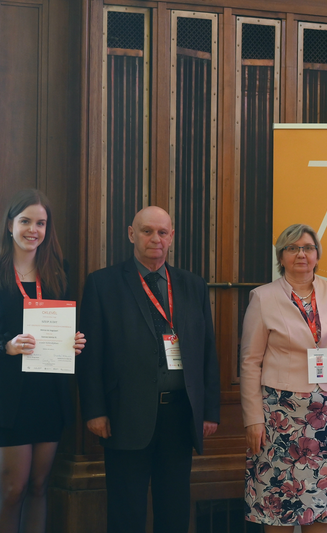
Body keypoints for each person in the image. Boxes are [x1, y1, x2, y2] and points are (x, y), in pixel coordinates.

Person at [77, 206, 220, 533]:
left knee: (174, 511)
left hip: (180, 416)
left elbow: (207, 350)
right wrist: (95, 410)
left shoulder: (193, 285)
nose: (155, 238)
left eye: (162, 232)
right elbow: (90, 355)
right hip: (124, 415)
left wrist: (209, 410)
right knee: (126, 513)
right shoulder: (103, 283)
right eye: (147, 231)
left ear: (171, 237)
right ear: (132, 234)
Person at [0, 189, 86, 533]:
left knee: (39, 487)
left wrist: (73, 342)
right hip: (1, 398)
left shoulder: (58, 270)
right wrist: (4, 346)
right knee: (13, 491)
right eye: (25, 221)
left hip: (47, 395)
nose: (33, 230)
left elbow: (65, 326)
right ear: (10, 224)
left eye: (41, 223)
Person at [240, 223, 327, 531]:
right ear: (281, 256)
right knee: (278, 507)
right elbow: (250, 363)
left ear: (317, 255)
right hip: (279, 417)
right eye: (292, 248)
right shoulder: (263, 297)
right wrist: (253, 418)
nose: (301, 254)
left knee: (322, 508)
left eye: (308, 248)